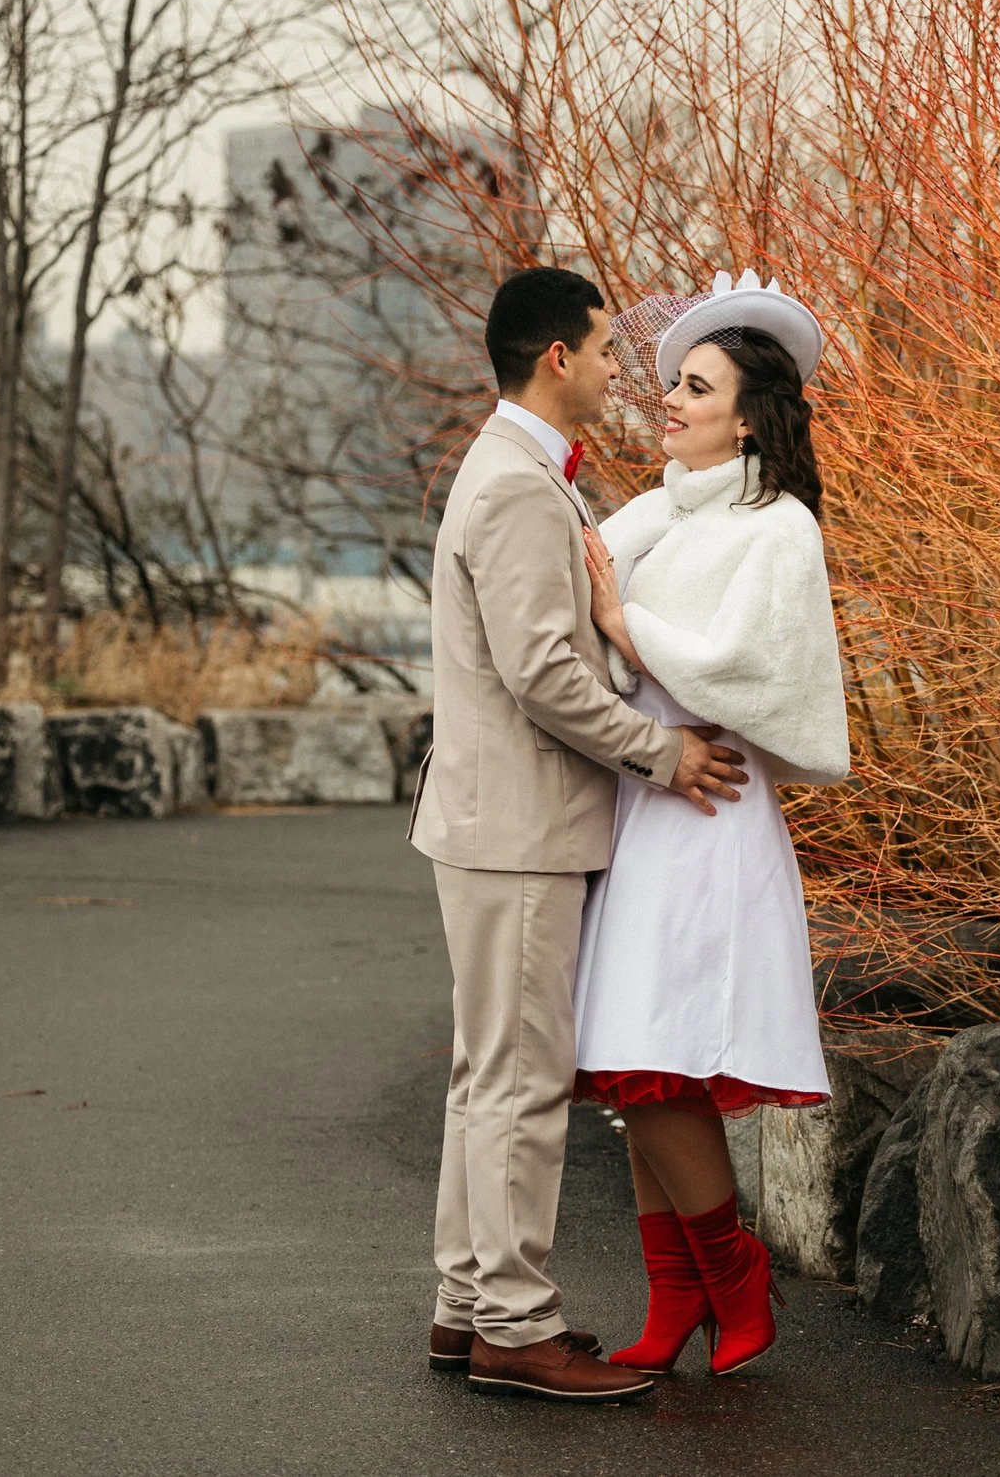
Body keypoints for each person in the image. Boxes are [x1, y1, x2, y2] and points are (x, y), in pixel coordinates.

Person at [408, 265, 751, 1403]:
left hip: (496, 823)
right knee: (519, 1081)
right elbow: (544, 672)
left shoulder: (514, 472)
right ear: (557, 356)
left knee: (485, 1076)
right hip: (517, 828)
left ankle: (468, 1305)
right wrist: (664, 751)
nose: (620, 368)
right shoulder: (512, 483)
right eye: (607, 349)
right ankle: (515, 1321)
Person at [573, 269, 852, 1378]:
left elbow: (743, 667)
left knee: (657, 1057)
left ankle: (735, 1273)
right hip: (646, 798)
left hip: (708, 811)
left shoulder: (774, 525)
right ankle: (677, 1289)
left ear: (749, 414)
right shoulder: (649, 513)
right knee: (636, 1063)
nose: (672, 402)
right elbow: (591, 635)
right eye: (671, 384)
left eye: (697, 388)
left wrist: (620, 618)